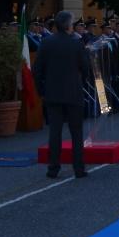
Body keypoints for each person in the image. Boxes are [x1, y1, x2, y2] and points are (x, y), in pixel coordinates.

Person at [35, 10, 94, 179]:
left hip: (53, 93)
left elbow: (38, 70)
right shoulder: (77, 43)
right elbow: (85, 68)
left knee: (55, 132)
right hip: (73, 92)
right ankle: (78, 168)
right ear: (68, 25)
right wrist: (83, 83)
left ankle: (53, 168)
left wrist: (42, 91)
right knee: (76, 132)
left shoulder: (46, 43)